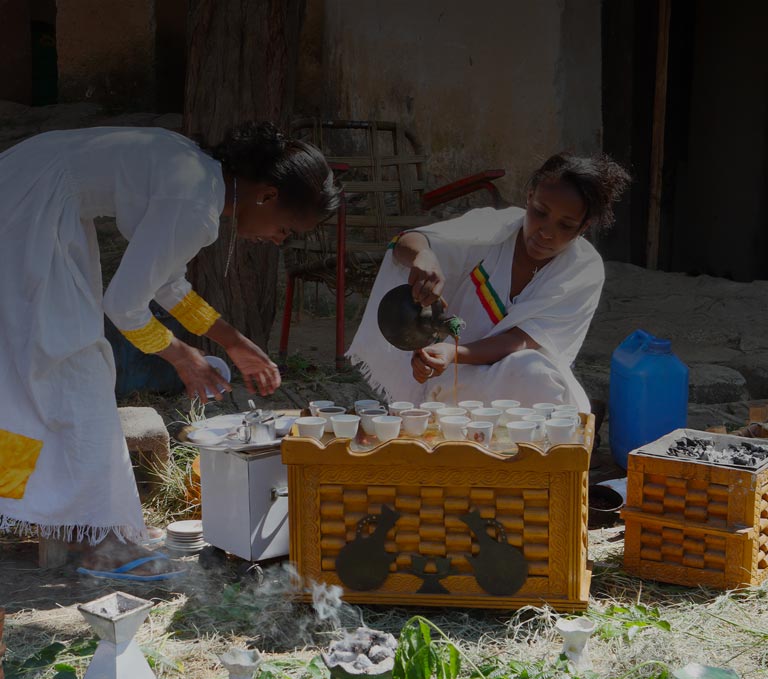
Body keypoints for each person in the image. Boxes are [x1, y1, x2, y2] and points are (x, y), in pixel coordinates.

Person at [0, 122, 340, 579]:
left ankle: (43, 508)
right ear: (266, 195)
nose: (278, 240)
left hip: (29, 193)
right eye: (284, 229)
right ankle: (104, 541)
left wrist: (234, 343)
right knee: (72, 367)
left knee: (28, 375)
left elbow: (165, 284)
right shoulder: (196, 205)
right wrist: (184, 357)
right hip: (25, 209)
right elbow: (124, 305)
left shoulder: (198, 176)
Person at [347, 153, 630, 412]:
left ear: (584, 227)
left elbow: (521, 341)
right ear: (529, 198)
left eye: (566, 225)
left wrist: (452, 351)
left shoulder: (583, 269)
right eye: (540, 212)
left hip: (510, 378)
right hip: (455, 377)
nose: (546, 233)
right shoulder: (493, 229)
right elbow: (406, 242)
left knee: (534, 373)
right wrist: (425, 254)